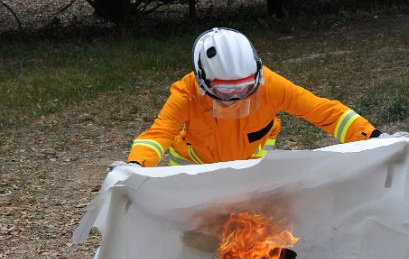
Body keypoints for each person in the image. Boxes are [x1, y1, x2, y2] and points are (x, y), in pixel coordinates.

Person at [127, 27, 383, 167]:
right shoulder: (186, 94)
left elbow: (323, 111)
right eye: (226, 91)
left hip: (251, 170)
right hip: (196, 172)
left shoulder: (270, 85)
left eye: (245, 87)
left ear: (256, 74)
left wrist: (372, 137)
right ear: (202, 81)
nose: (238, 97)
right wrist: (136, 165)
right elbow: (158, 134)